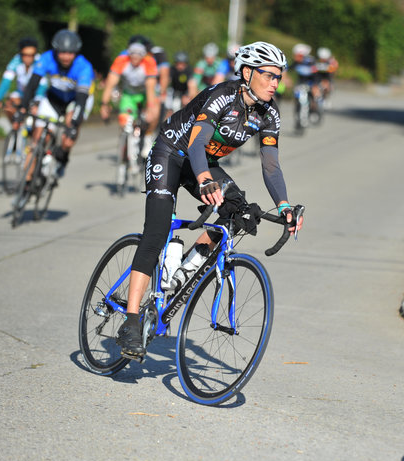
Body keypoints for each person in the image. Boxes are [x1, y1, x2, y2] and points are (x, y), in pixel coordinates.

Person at [115, 41, 304, 357]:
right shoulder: (223, 96)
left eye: (279, 77)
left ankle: (184, 269)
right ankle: (131, 319)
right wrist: (203, 179)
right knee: (157, 231)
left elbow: (271, 163)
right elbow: (196, 143)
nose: (275, 83)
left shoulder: (269, 114)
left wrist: (284, 205)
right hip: (172, 153)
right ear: (247, 72)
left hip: (202, 163)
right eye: (269, 75)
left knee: (238, 212)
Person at [16, 29, 95, 179]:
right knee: (38, 139)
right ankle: (26, 183)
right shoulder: (46, 58)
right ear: (56, 51)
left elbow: (81, 99)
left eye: (70, 53)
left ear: (76, 52)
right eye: (62, 52)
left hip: (75, 101)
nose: (66, 57)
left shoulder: (84, 66)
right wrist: (22, 107)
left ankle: (63, 158)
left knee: (68, 137)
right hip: (53, 98)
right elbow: (32, 85)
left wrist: (74, 125)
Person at [99, 42, 159, 157]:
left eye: (138, 57)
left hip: (145, 94)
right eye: (132, 56)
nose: (135, 59)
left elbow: (150, 88)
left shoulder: (149, 62)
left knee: (153, 113)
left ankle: (147, 136)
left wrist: (150, 107)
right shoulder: (122, 61)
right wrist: (104, 104)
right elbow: (110, 84)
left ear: (143, 57)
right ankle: (127, 147)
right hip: (129, 95)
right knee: (124, 120)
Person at [0, 37, 46, 122]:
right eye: (25, 55)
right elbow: (6, 81)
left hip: (37, 96)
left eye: (31, 55)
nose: (28, 58)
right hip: (21, 94)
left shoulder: (40, 61)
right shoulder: (16, 60)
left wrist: (37, 103)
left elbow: (43, 85)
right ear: (21, 54)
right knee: (9, 105)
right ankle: (16, 128)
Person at [165, 51, 196, 118]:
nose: (180, 66)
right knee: (168, 109)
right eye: (178, 64)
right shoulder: (172, 69)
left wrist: (188, 96)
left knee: (187, 103)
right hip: (174, 91)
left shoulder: (189, 70)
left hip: (184, 92)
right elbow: (167, 81)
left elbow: (191, 85)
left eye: (182, 64)